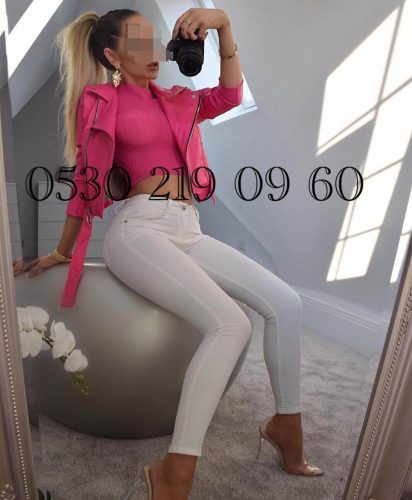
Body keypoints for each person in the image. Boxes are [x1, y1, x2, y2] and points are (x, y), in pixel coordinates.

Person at [23, 7, 324, 500]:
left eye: (152, 38)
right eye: (137, 41)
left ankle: (285, 426)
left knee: (286, 305)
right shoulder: (101, 101)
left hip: (189, 227)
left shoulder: (179, 99)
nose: (152, 49)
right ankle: (174, 470)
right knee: (232, 324)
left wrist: (222, 23)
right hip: (139, 231)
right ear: (112, 55)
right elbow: (86, 182)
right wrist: (60, 251)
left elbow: (230, 94)